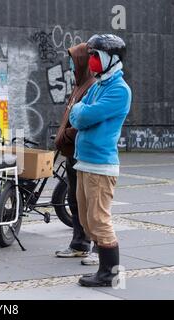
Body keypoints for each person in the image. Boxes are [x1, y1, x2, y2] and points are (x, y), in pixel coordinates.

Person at [69, 34, 132, 287]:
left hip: (100, 165)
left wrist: (79, 111)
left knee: (99, 219)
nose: (92, 60)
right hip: (84, 161)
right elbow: (77, 108)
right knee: (86, 220)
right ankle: (104, 269)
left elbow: (82, 116)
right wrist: (79, 111)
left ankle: (110, 274)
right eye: (91, 55)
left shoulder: (119, 90)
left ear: (110, 58)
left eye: (96, 56)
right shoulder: (97, 85)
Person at [54, 43, 99, 266]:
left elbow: (84, 122)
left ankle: (99, 247)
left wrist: (66, 136)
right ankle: (79, 243)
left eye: (73, 60)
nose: (70, 65)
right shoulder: (79, 85)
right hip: (71, 153)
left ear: (81, 61)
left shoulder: (91, 86)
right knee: (75, 200)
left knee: (93, 204)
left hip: (83, 154)